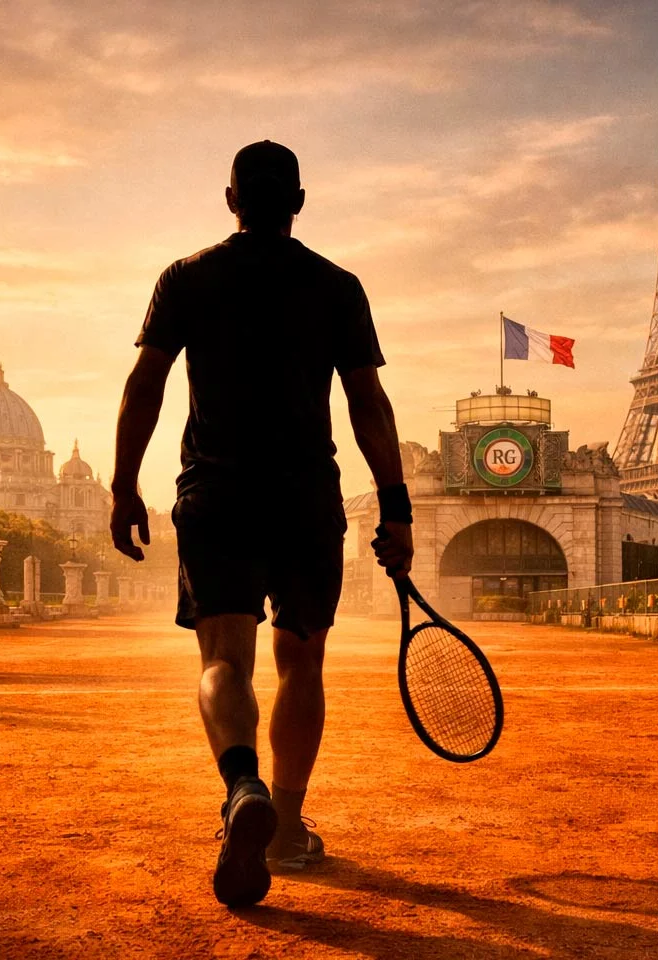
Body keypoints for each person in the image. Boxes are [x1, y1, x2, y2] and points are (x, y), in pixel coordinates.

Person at [110, 141, 414, 907]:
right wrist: (397, 505)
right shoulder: (337, 286)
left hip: (216, 491)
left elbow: (145, 384)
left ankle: (241, 785)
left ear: (231, 200)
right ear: (300, 203)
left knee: (224, 659)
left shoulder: (186, 277)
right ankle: (286, 824)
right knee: (302, 663)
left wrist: (123, 486)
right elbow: (368, 405)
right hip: (306, 495)